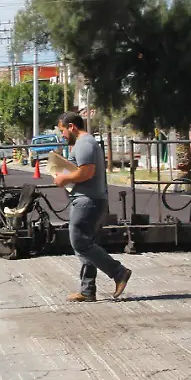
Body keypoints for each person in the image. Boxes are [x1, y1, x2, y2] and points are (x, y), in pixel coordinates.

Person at [53, 112, 132, 302]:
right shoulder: (82, 144)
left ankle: (118, 272)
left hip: (88, 201)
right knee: (87, 245)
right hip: (87, 200)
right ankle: (87, 290)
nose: (62, 135)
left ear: (71, 127)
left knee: (79, 242)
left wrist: (64, 178)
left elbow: (86, 172)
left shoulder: (85, 143)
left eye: (62, 130)